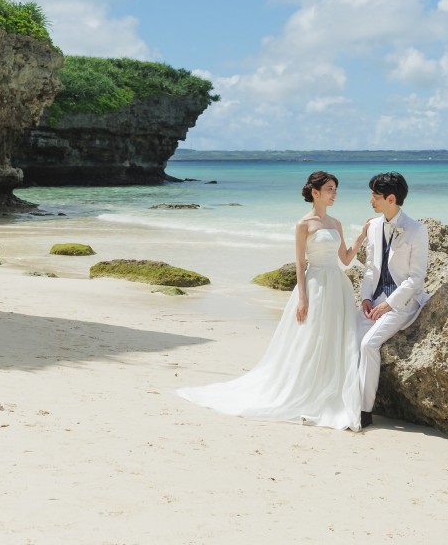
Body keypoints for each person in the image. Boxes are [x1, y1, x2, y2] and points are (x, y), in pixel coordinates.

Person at [177, 170, 367, 430]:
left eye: (335, 189)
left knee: (335, 339)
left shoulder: (336, 223)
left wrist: (362, 235)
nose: (334, 194)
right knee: (312, 339)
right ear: (315, 192)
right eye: (330, 189)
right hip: (315, 285)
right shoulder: (304, 224)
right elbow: (301, 264)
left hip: (337, 286)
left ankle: (331, 389)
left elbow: (345, 258)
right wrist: (302, 298)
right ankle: (306, 390)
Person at [355, 171, 431, 429]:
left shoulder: (417, 230)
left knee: (368, 344)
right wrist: (366, 297)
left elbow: (416, 279)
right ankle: (343, 401)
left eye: (374, 196)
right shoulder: (374, 226)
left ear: (390, 199)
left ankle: (364, 410)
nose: (370, 200)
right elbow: (369, 267)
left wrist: (389, 304)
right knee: (349, 340)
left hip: (402, 303)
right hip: (375, 299)